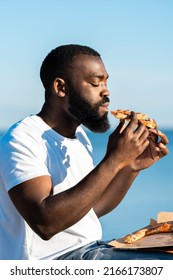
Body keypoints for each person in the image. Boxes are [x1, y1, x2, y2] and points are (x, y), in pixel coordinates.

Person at [0, 44, 171, 260]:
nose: (106, 91)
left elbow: (87, 211)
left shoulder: (79, 136)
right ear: (61, 88)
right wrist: (113, 160)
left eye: (106, 82)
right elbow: (45, 223)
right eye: (95, 83)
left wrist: (131, 166)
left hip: (88, 251)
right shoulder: (22, 139)